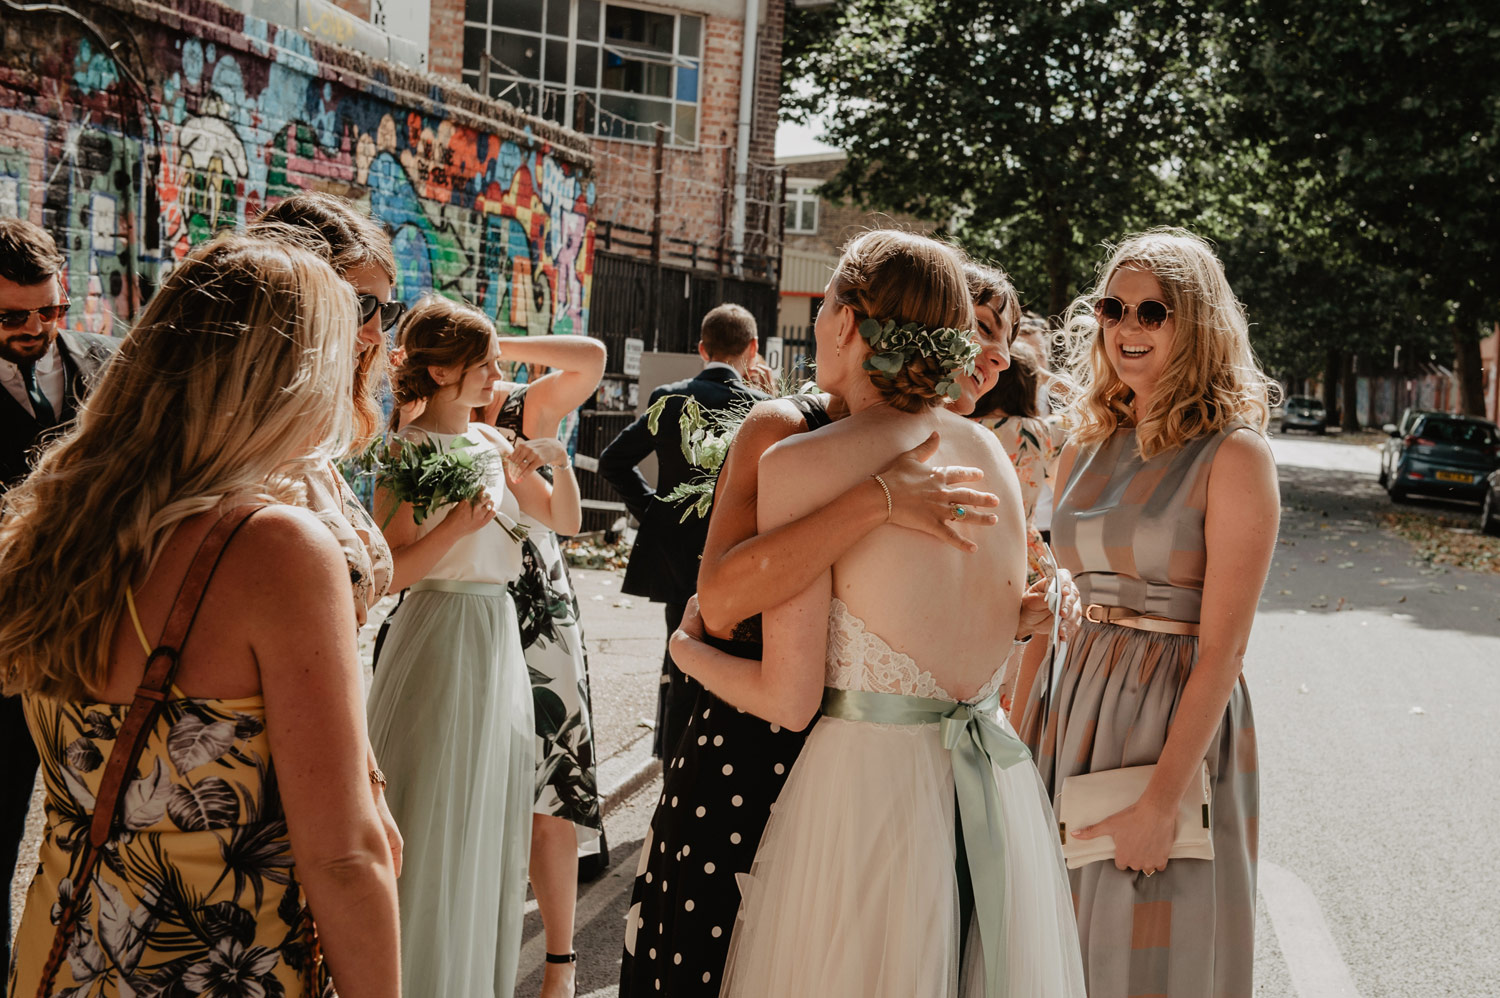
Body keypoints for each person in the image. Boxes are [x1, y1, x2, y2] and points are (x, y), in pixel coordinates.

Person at [621, 233, 1081, 997]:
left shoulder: (805, 460)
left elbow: (790, 695)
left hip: (863, 801)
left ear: (848, 322)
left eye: (829, 300)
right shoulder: (995, 455)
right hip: (988, 795)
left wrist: (688, 652)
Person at [1, 234, 400, 997]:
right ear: (294, 376)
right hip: (215, 975)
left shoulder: (55, 522)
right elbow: (345, 856)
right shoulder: (273, 548)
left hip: (63, 960)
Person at [1018, 227, 1278, 998]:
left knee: (1151, 956)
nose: (1127, 328)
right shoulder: (1082, 445)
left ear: (1195, 323)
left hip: (1169, 720)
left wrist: (1164, 800)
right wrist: (1016, 718)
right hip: (1067, 707)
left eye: (1152, 312)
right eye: (1113, 307)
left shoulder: (1234, 456)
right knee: (1053, 944)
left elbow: (1224, 652)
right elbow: (1062, 595)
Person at [366, 294, 581, 998]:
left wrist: (557, 462)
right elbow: (390, 572)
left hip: (499, 642)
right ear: (441, 371)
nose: (498, 375)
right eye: (484, 364)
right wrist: (456, 530)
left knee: (489, 820)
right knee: (427, 814)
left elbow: (565, 521)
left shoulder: (492, 445)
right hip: (437, 634)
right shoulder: (402, 450)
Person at [0, 216, 116, 980]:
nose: (38, 328)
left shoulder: (107, 367)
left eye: (52, 310)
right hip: (4, 652)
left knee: (100, 836)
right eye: (14, 317)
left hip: (99, 649)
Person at [478, 333, 608, 998]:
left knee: (546, 793)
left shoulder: (520, 407)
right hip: (453, 611)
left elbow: (590, 358)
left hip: (536, 617)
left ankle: (559, 964)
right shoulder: (413, 415)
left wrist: (493, 341)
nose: (493, 370)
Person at [599, 303, 770, 758]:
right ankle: (712, 764)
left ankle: (672, 767)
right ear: (753, 349)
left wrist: (656, 510)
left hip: (675, 558)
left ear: (701, 349)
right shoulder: (761, 409)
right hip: (737, 557)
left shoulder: (671, 398)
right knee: (729, 666)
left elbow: (612, 460)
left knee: (681, 657)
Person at [248, 192, 407, 624]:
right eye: (360, 306)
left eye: (386, 311)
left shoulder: (310, 440)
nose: (376, 334)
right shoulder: (242, 450)